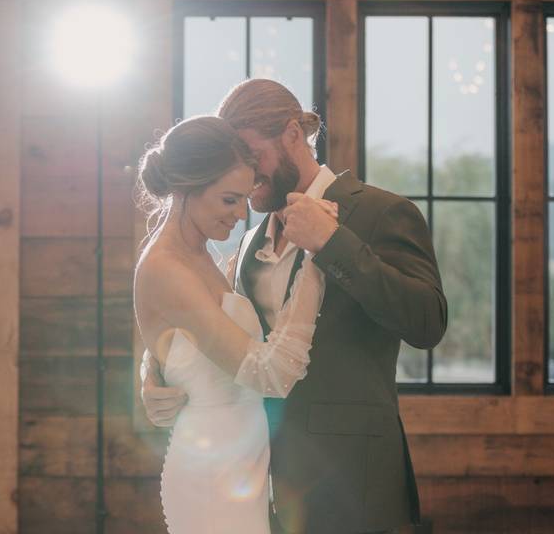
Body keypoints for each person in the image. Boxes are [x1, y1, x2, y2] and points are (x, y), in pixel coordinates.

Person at [141, 79, 448, 533]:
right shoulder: (245, 244)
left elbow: (428, 323)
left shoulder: (382, 213)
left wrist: (331, 244)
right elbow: (209, 325)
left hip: (353, 484)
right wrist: (158, 369)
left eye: (251, 154)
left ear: (291, 135)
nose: (247, 172)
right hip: (261, 483)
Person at [134, 115, 331, 533]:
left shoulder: (201, 253)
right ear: (188, 189)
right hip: (212, 474)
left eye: (244, 198)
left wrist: (154, 365)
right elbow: (269, 373)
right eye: (228, 200)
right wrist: (316, 261)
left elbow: (183, 342)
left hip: (241, 466)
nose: (242, 215)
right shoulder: (166, 267)